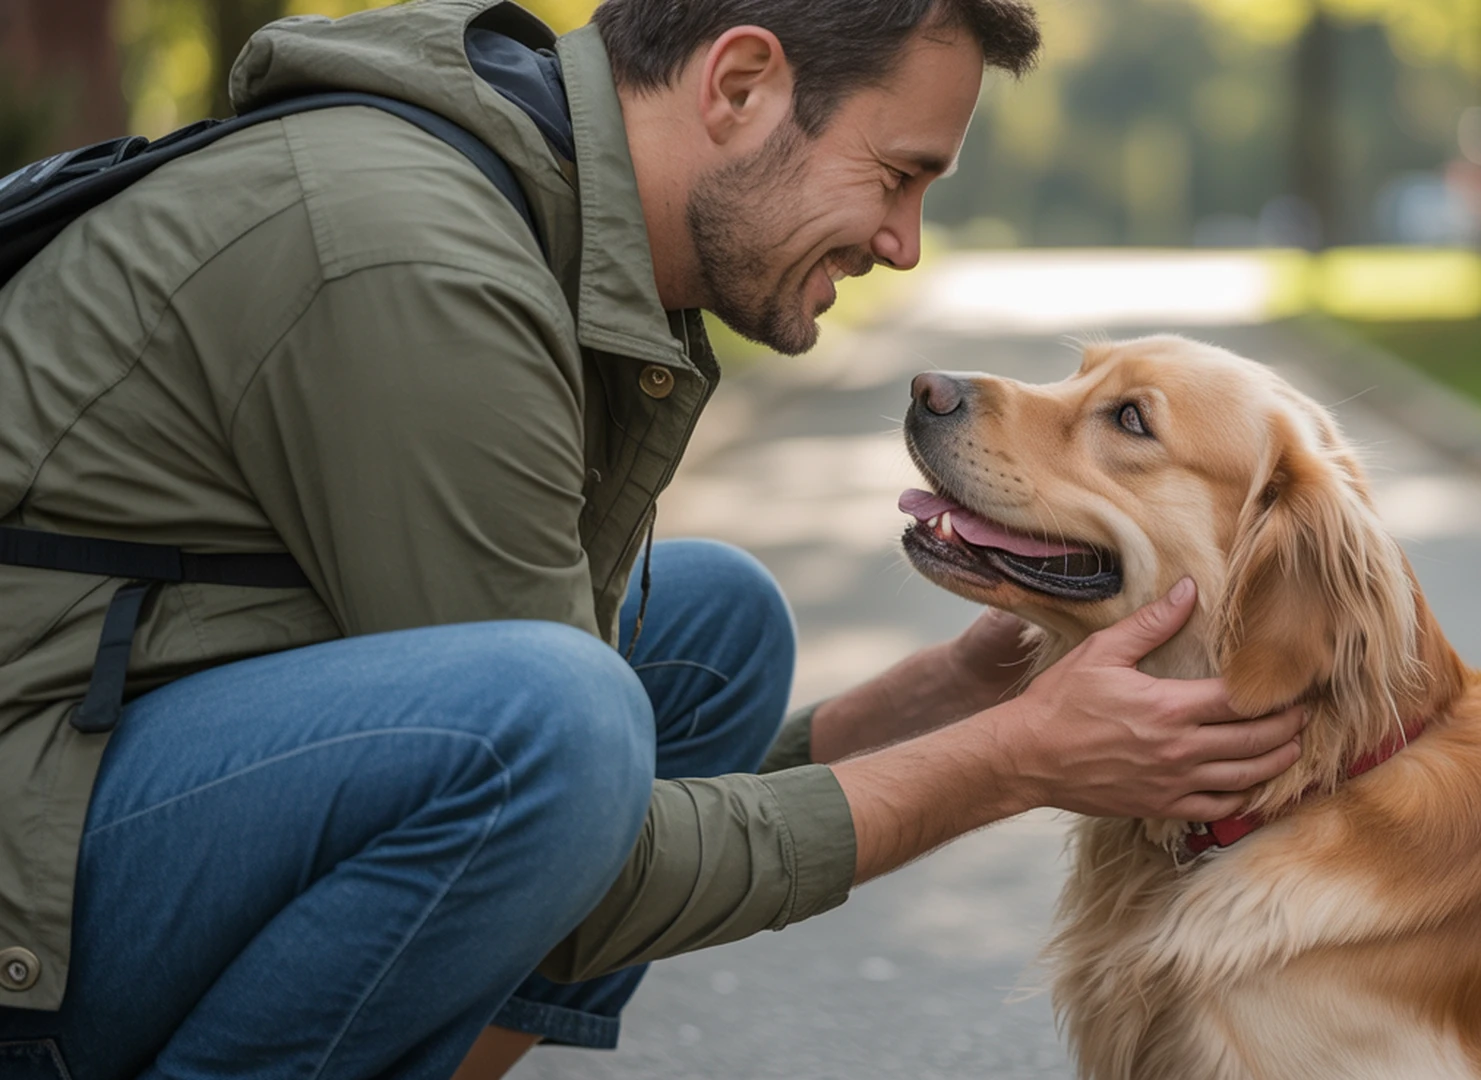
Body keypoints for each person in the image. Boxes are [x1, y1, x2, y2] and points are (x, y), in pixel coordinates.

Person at [0, 0, 1308, 1075]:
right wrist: (1008, 764)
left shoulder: (537, 225)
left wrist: (950, 701)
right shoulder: (414, 260)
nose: (904, 247)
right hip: (28, 872)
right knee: (557, 714)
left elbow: (589, 813)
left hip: (112, 757)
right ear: (739, 85)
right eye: (897, 174)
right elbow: (573, 818)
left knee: (706, 635)